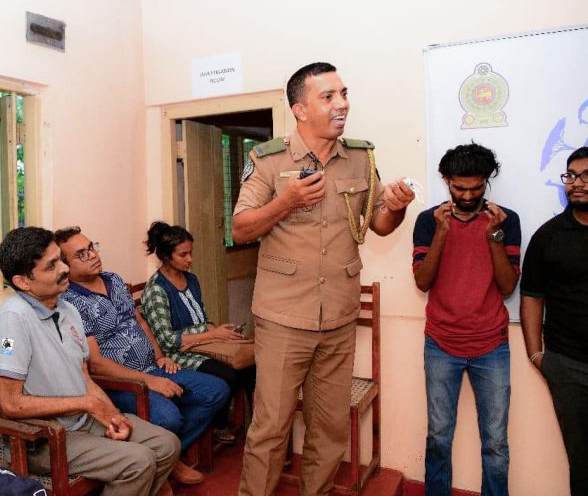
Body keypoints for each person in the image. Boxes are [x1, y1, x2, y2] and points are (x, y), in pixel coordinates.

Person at [232, 62, 415, 496]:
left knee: (330, 429)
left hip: (338, 317)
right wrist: (286, 201)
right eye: (328, 96)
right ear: (300, 109)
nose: (342, 104)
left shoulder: (360, 156)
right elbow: (240, 229)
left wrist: (398, 206)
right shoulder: (268, 159)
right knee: (271, 429)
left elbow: (379, 225)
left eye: (344, 94)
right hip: (282, 318)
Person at [0, 227, 180, 496]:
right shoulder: (13, 320)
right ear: (23, 282)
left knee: (167, 444)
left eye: (61, 260)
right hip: (45, 437)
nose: (65, 269)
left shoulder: (67, 308)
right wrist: (87, 404)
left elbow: (85, 378)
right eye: (52, 266)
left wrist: (111, 415)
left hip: (85, 421)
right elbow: (11, 404)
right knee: (139, 462)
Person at [54, 226, 229, 485]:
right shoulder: (70, 302)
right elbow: (96, 363)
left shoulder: (114, 280)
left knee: (217, 390)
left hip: (152, 367)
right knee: (168, 417)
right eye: (81, 254)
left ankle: (168, 457)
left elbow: (140, 322)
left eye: (91, 247)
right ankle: (169, 458)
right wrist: (149, 381)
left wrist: (159, 357)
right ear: (65, 266)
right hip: (121, 383)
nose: (92, 255)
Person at [412, 143, 520, 496]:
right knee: (439, 438)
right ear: (446, 181)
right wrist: (442, 232)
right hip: (441, 343)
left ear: (486, 181)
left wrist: (495, 235)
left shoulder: (505, 220)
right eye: (460, 188)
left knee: (496, 444)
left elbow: (507, 287)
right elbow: (423, 281)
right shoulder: (428, 221)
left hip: (492, 345)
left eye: (477, 187)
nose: (469, 196)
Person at [140, 221, 257, 444]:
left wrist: (221, 333)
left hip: (200, 344)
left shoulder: (191, 279)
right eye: (183, 254)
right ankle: (217, 426)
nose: (190, 259)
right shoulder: (157, 290)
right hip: (178, 355)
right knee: (229, 375)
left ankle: (257, 428)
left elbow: (203, 319)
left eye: (190, 253)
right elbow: (167, 341)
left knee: (250, 365)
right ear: (165, 256)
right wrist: (212, 334)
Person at [520, 146, 588, 496]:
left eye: (586, 176)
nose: (577, 183)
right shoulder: (548, 236)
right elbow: (532, 296)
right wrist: (536, 354)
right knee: (583, 461)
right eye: (571, 176)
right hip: (568, 365)